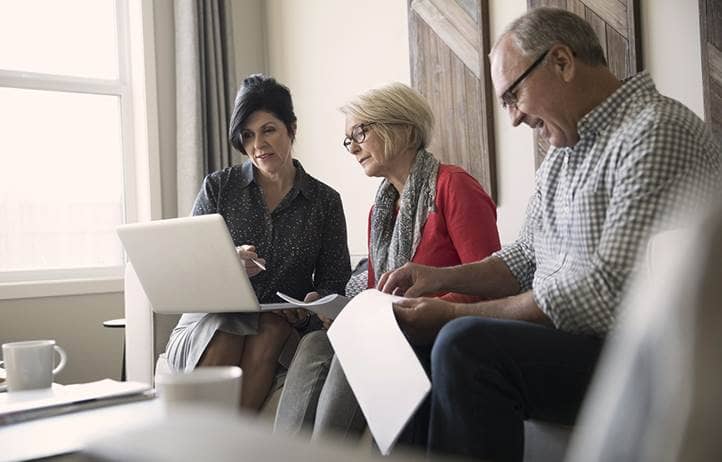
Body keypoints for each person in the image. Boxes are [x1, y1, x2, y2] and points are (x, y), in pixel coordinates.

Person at [376, 7, 720, 462]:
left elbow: (604, 294)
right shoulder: (564, 151)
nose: (515, 117)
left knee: (464, 345)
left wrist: (449, 317)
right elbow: (522, 259)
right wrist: (440, 279)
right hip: (581, 340)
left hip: (633, 351)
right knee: (412, 347)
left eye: (513, 95)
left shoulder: (654, 132)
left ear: (561, 61)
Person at [273, 82, 501, 438]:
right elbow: (376, 296)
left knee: (359, 345)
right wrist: (339, 311)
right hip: (390, 330)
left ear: (405, 131)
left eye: (360, 133)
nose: (353, 148)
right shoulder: (380, 212)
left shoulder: (453, 186)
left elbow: (491, 285)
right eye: (348, 139)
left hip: (435, 336)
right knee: (315, 341)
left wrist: (417, 310)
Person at [165, 74, 351, 411]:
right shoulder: (218, 188)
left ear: (291, 129)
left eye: (269, 130)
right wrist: (227, 263)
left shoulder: (325, 202)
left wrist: (311, 305)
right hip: (208, 325)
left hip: (279, 326)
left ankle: (231, 446)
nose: (258, 145)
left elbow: (334, 282)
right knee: (228, 328)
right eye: (248, 136)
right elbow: (189, 274)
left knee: (269, 330)